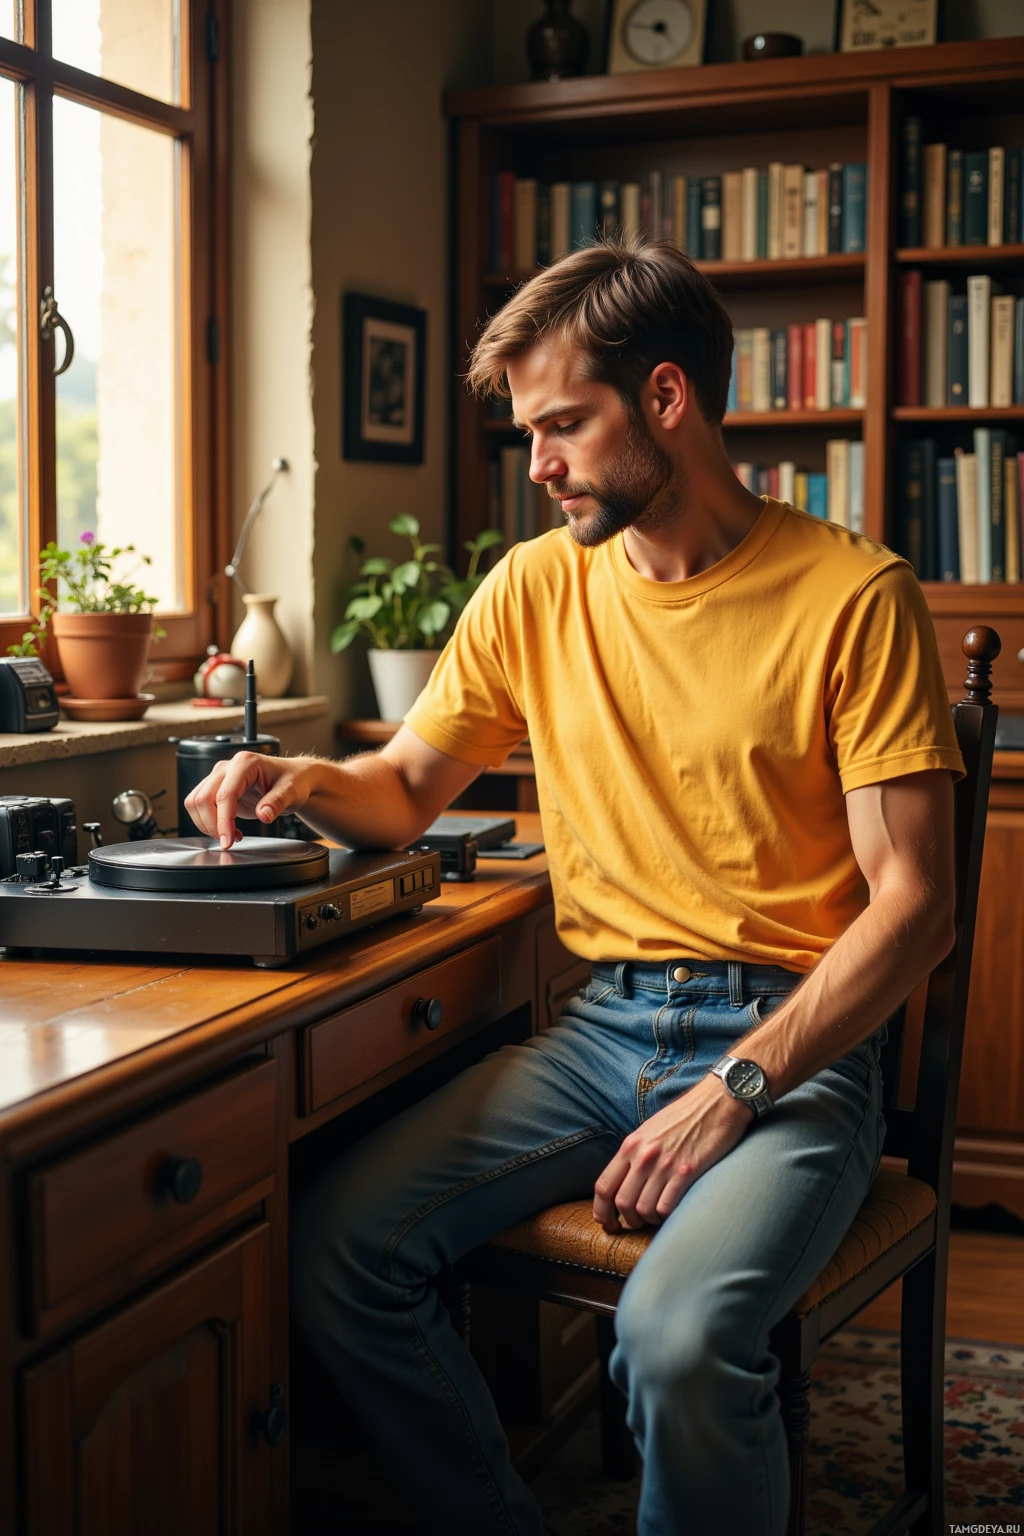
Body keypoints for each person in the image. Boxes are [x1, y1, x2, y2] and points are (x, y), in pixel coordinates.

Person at [185, 240, 963, 1536]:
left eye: (561, 424)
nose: (535, 463)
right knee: (335, 1253)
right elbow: (409, 793)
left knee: (672, 1338)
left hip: (798, 1056)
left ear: (666, 398)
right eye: (530, 430)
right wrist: (301, 774)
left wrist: (739, 1089)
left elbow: (916, 906)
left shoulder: (851, 595)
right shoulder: (535, 588)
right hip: (604, 1032)